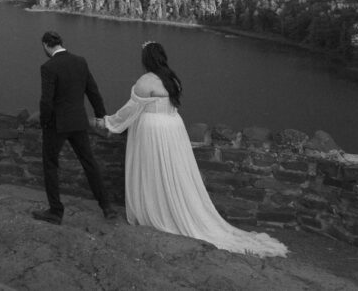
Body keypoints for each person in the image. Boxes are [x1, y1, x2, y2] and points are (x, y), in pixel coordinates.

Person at [103, 41, 287, 257]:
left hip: (154, 129)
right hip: (173, 127)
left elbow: (130, 110)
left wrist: (109, 123)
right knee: (175, 171)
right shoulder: (172, 78)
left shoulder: (146, 81)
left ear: (146, 59)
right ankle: (172, 207)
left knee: (153, 169)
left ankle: (157, 211)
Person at [32, 31, 117, 225]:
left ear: (46, 45)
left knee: (51, 165)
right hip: (79, 122)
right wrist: (101, 116)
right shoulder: (80, 61)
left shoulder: (48, 67)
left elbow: (46, 100)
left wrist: (45, 122)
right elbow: (93, 91)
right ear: (61, 43)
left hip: (57, 125)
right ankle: (107, 207)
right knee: (89, 163)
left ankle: (55, 211)